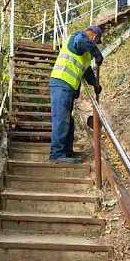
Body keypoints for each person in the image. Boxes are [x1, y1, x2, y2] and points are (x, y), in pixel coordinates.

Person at [49, 25, 104, 164]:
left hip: (68, 88)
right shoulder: (77, 38)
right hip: (61, 83)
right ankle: (57, 154)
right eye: (96, 41)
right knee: (61, 119)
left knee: (69, 121)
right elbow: (81, 41)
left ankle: (67, 152)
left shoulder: (84, 54)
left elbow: (87, 72)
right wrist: (97, 53)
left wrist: (95, 84)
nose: (95, 44)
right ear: (93, 36)